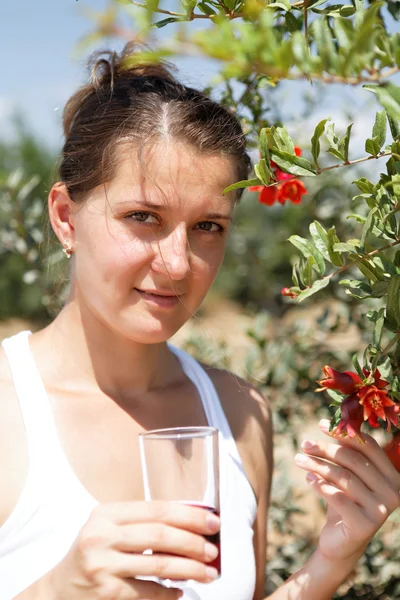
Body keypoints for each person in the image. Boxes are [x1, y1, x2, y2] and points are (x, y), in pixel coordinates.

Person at [0, 42, 399, 600]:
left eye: (208, 226)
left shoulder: (240, 411)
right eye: (143, 217)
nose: (177, 263)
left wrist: (330, 562)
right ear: (66, 218)